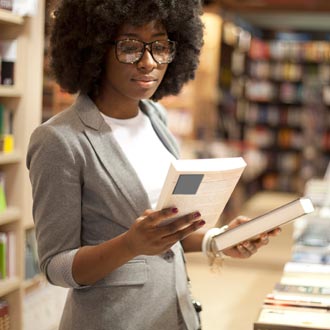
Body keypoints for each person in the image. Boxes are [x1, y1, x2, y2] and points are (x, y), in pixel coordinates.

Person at [26, 1, 280, 329]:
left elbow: (164, 230)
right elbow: (54, 267)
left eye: (159, 47)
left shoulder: (155, 118)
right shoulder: (59, 139)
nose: (149, 62)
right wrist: (130, 244)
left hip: (176, 313)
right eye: (130, 47)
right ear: (94, 48)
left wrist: (216, 240)